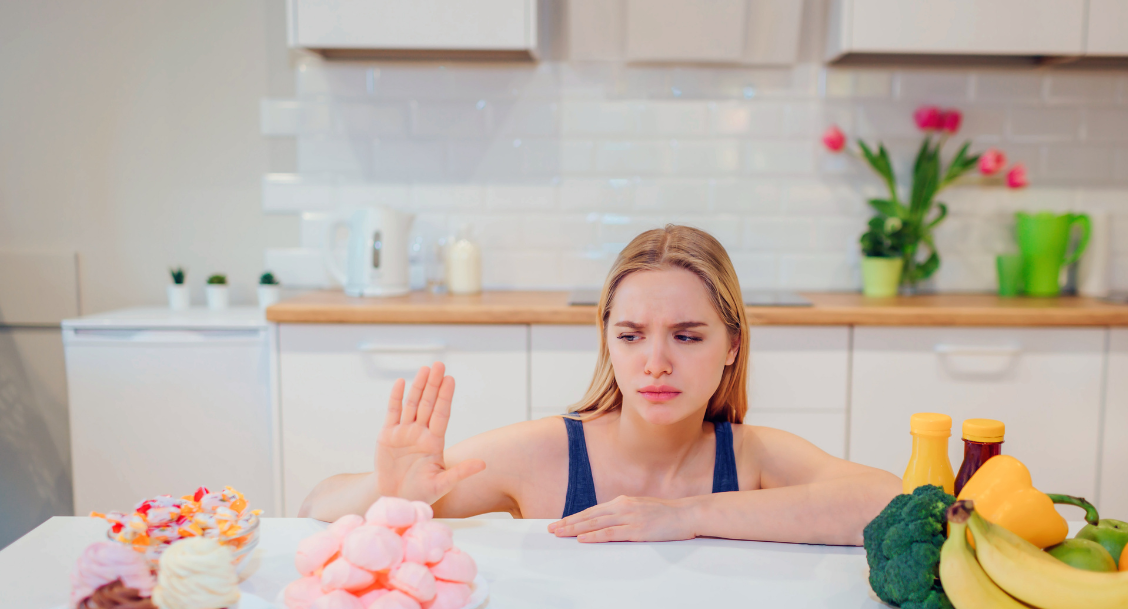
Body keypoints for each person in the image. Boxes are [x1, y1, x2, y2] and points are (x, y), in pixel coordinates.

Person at [300, 225, 900, 545]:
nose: (656, 363)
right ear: (607, 340)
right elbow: (313, 509)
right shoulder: (546, 455)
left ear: (732, 346)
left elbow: (884, 502)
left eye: (688, 337)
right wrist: (387, 491)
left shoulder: (754, 456)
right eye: (632, 335)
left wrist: (684, 516)